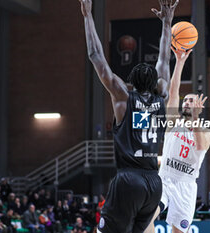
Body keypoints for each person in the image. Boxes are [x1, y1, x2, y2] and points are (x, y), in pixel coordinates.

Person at [79, 0, 178, 232]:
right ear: (156, 84)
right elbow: (164, 61)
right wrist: (167, 23)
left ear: (131, 82)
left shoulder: (124, 98)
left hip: (129, 179)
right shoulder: (162, 97)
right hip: (154, 183)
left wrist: (87, 16)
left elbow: (95, 55)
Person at [145, 49, 210, 233]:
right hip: (165, 179)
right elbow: (174, 92)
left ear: (199, 106)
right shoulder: (173, 122)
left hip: (186, 185)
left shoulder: (207, 131)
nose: (186, 103)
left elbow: (200, 146)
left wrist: (196, 118)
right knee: (146, 217)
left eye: (191, 101)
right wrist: (180, 62)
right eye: (186, 101)